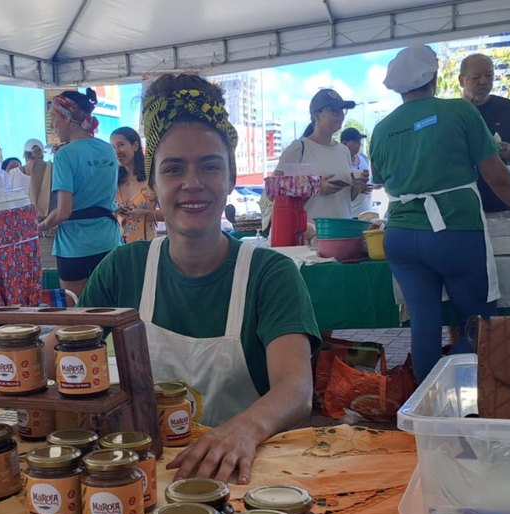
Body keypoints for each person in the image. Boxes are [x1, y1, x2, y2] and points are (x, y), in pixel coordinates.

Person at [77, 73, 320, 484]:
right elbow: (64, 353)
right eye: (173, 169)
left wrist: (245, 429)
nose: (192, 183)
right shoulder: (122, 269)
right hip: (138, 476)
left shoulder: (269, 274)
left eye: (210, 166)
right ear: (153, 183)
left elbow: (295, 389)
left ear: (229, 178)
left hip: (244, 477)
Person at [370, 45, 510, 383]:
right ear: (435, 77)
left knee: (424, 325)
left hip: (400, 236)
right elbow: (496, 175)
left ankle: (426, 404)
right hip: (454, 230)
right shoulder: (460, 111)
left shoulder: (381, 129)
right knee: (477, 324)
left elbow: (380, 181)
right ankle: (458, 390)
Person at [38, 88, 122, 296]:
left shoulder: (64, 155)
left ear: (66, 118)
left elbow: (63, 211)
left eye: (53, 118)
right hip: (108, 241)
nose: (52, 125)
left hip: (74, 247)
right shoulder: (107, 149)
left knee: (78, 314)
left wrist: (43, 225)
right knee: (113, 308)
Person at [273, 89, 361, 222]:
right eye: (333, 110)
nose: (340, 115)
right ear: (316, 115)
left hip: (344, 232)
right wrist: (315, 187)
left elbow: (346, 198)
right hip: (309, 235)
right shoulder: (299, 149)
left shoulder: (344, 151)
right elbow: (274, 189)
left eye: (342, 110)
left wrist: (358, 184)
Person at [459, 53, 510, 213]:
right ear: (461, 80)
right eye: (476, 77)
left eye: (489, 75)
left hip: (499, 201)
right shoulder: (452, 113)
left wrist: (509, 151)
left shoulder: (508, 108)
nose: (483, 81)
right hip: (462, 203)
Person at [111, 126, 162, 242]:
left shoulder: (152, 179)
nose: (117, 151)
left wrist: (144, 214)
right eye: (113, 147)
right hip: (117, 248)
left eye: (120, 145)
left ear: (135, 145)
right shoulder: (114, 180)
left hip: (145, 249)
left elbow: (170, 214)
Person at [340, 127, 373, 215]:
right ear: (344, 143)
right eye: (355, 141)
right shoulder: (340, 163)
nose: (359, 144)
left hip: (367, 211)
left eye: (359, 141)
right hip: (351, 214)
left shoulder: (363, 158)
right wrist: (357, 188)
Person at [23, 138, 53, 218]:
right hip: (50, 218)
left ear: (25, 155)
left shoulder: (14, 172)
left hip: (25, 219)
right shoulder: (52, 168)